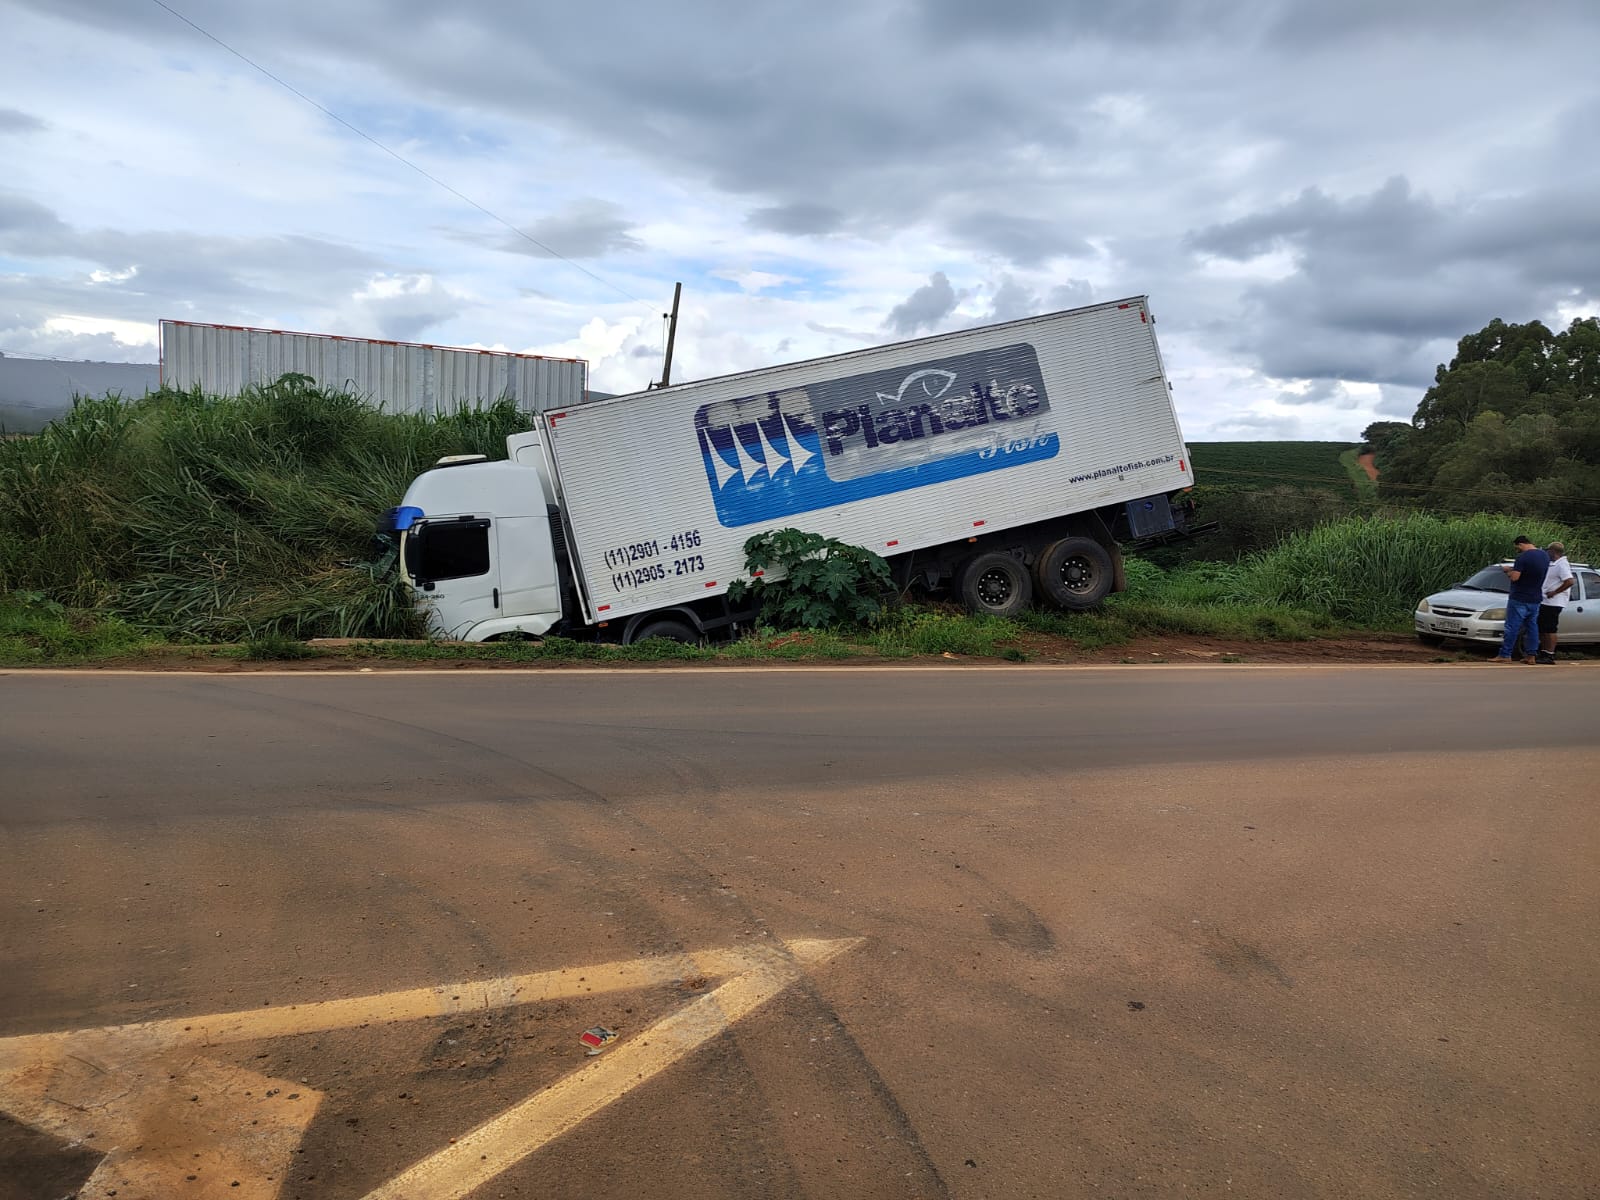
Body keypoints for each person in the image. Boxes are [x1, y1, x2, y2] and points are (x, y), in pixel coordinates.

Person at [1493, 536, 1549, 663]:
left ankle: (1505, 654)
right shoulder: (1544, 556)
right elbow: (1530, 572)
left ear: (1521, 544)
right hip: (1535, 597)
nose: (1517, 550)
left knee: (1512, 627)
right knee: (1532, 627)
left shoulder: (1523, 557)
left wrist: (1508, 571)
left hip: (1519, 597)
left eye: (1517, 547)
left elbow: (1515, 578)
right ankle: (1531, 655)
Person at [1536, 541, 1575, 664]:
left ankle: (1550, 654)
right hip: (1545, 601)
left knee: (1550, 629)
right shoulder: (1553, 564)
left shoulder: (1562, 564)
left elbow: (1569, 581)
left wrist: (1555, 592)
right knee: (1543, 628)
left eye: (1548, 551)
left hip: (1554, 602)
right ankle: (1543, 652)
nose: (1547, 553)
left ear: (1553, 551)